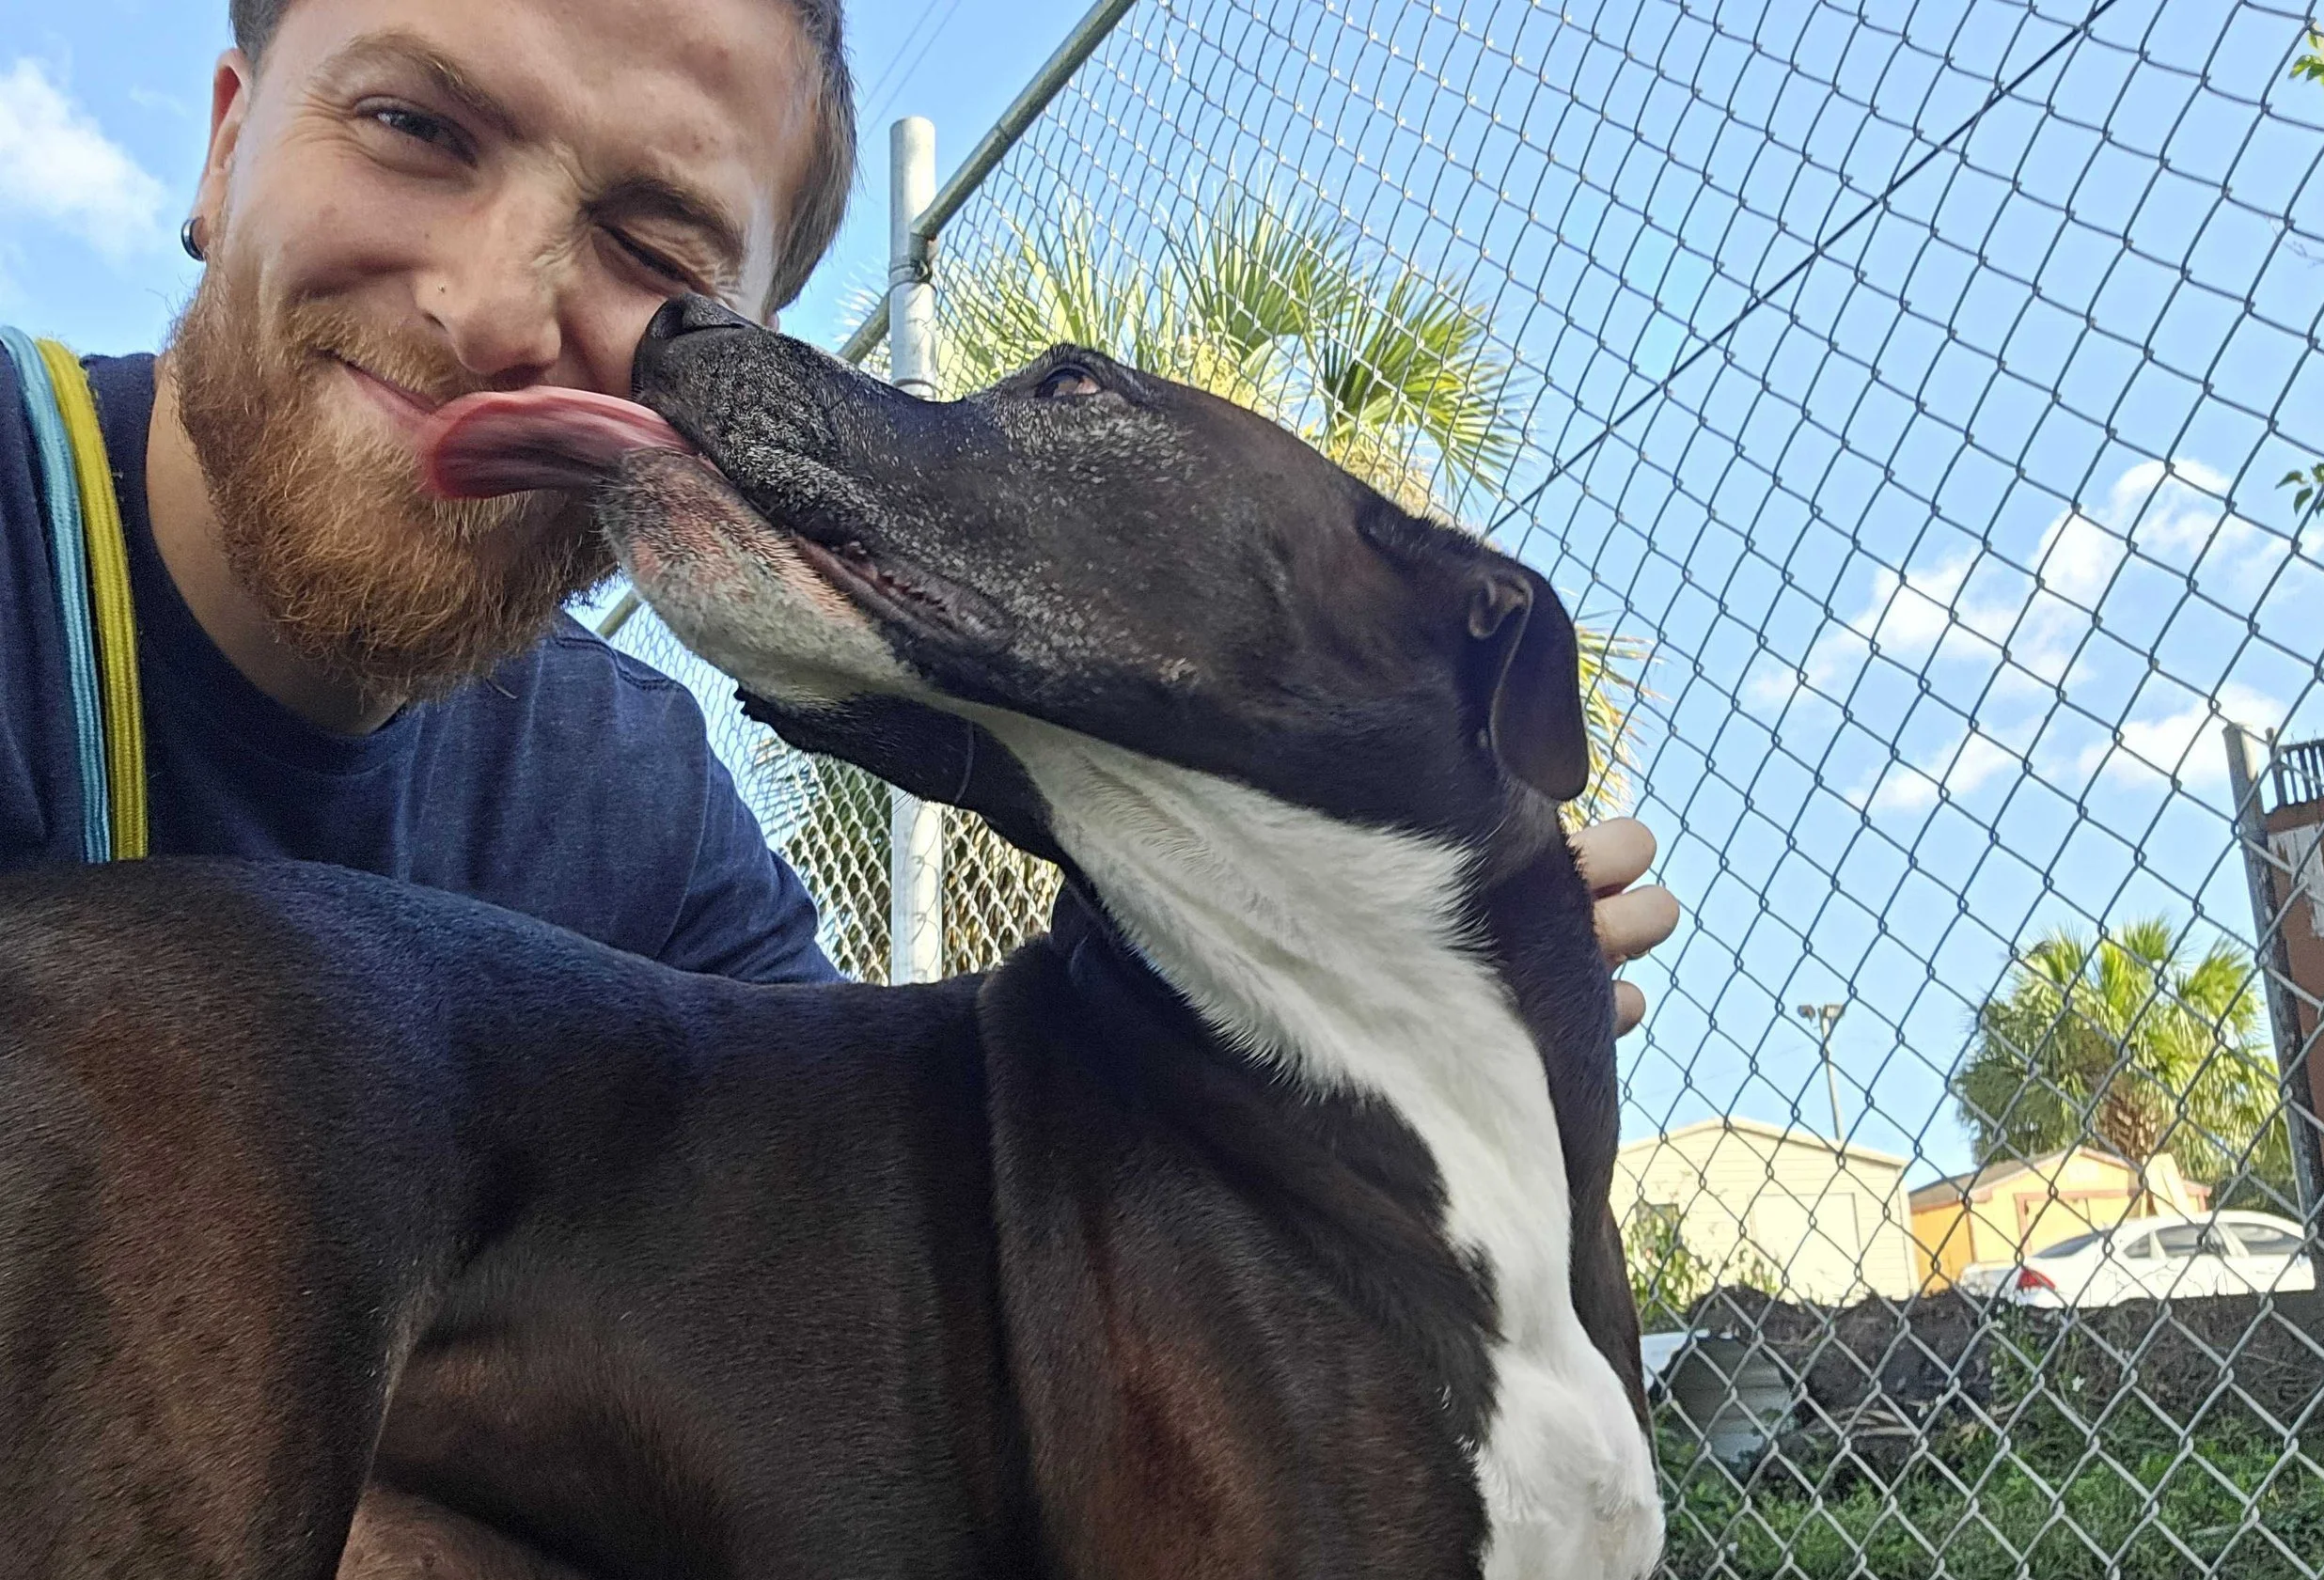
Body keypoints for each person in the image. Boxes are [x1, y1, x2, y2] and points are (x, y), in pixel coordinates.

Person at [0, 0, 1679, 1025]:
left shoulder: (633, 812)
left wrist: (1328, 961)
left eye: (655, 254)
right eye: (413, 126)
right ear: (223, 156)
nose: (497, 309)